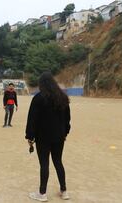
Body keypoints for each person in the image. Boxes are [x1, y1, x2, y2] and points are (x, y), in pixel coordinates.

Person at [25, 72, 71, 202]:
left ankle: (42, 193)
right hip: (59, 137)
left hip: (43, 137)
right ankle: (64, 191)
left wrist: (30, 136)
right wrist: (65, 133)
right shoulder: (62, 98)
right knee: (58, 162)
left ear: (41, 84)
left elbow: (32, 119)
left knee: (44, 164)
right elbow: (67, 119)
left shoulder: (38, 98)